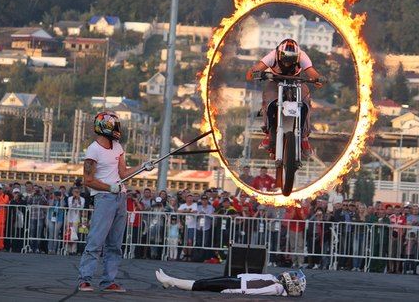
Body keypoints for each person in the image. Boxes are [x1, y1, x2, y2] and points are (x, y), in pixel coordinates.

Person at [77, 111, 149, 293]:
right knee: (96, 240)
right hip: (104, 198)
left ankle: (108, 281)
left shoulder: (117, 147)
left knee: (115, 244)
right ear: (104, 127)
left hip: (120, 197)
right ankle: (85, 279)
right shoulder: (93, 150)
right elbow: (88, 180)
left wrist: (142, 167)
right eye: (114, 125)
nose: (117, 129)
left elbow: (123, 173)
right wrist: (110, 188)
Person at [246, 38, 324, 157]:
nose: (287, 63)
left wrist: (318, 79)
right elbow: (257, 68)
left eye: (291, 60)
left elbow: (311, 72)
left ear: (297, 57)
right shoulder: (272, 56)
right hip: (275, 81)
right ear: (279, 54)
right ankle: (268, 133)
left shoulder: (302, 56)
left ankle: (304, 137)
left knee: (305, 101)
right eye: (285, 59)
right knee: (269, 99)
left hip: (296, 81)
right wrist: (253, 72)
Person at [155, 268, 306, 297]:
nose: (291, 276)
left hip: (237, 286)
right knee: (203, 282)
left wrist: (234, 290)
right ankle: (170, 280)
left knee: (202, 284)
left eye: (294, 279)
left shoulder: (278, 288)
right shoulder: (276, 281)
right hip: (237, 281)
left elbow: (256, 290)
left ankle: (169, 280)